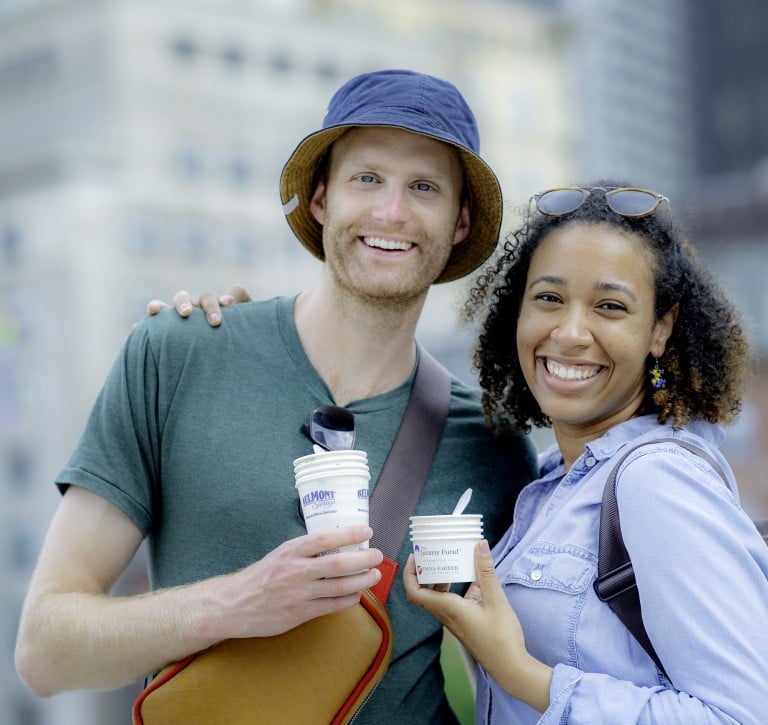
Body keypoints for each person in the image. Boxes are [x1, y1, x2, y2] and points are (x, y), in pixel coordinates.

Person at [14, 69, 537, 723]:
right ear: (321, 199)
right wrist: (239, 603)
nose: (391, 211)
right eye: (366, 178)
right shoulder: (176, 355)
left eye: (423, 187)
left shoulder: (492, 445)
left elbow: (516, 679)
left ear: (460, 223)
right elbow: (45, 648)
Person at [403, 183, 768, 723]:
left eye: (610, 306)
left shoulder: (655, 480)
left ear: (660, 330)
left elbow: (743, 715)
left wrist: (523, 675)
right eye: (549, 298)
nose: (570, 333)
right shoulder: (555, 478)